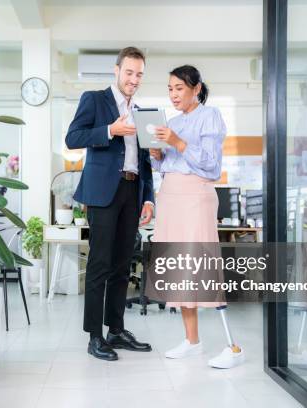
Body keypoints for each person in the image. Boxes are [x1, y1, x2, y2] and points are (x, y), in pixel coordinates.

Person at [150, 65, 245, 369]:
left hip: (195, 197)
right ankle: (192, 341)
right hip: (170, 196)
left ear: (196, 88)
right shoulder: (173, 121)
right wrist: (159, 156)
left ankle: (232, 346)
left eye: (179, 88)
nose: (173, 94)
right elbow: (171, 164)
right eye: (170, 89)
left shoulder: (210, 116)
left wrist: (177, 142)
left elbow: (210, 163)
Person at [65, 47, 155, 361]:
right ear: (116, 71)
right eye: (129, 72)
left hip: (132, 192)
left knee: (122, 265)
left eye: (139, 74)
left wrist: (148, 198)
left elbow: (145, 160)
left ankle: (116, 330)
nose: (134, 79)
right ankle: (95, 336)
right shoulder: (94, 99)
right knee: (100, 264)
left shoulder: (143, 113)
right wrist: (109, 130)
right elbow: (72, 138)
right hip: (104, 192)